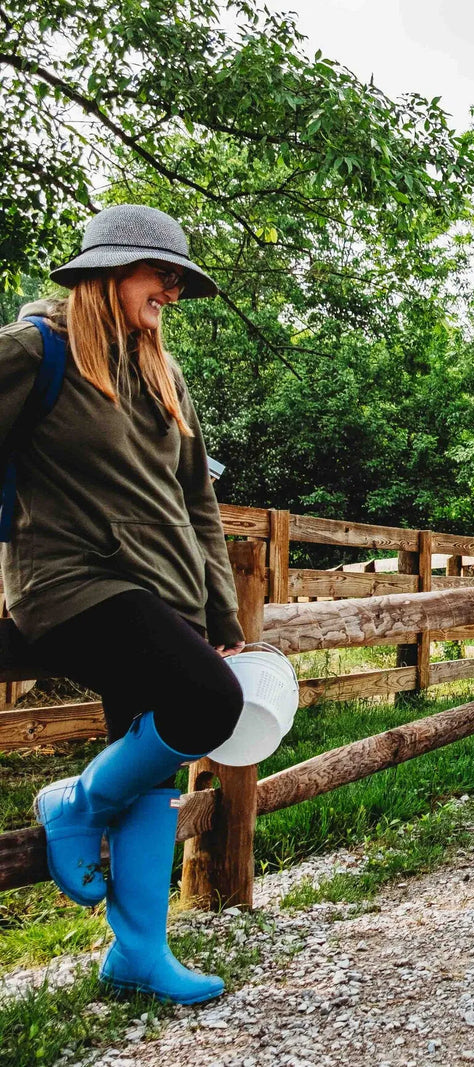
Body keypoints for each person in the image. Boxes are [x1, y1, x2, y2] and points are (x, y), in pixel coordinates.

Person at [10, 204, 245, 1005]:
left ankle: (138, 951)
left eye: (178, 279)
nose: (172, 292)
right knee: (211, 704)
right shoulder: (35, 348)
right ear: (109, 272)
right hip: (69, 581)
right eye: (160, 274)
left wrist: (223, 621)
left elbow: (198, 504)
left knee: (159, 771)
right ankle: (74, 800)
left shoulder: (162, 372)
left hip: (160, 594)